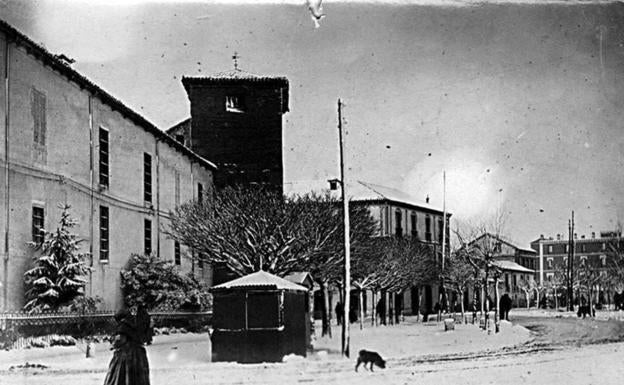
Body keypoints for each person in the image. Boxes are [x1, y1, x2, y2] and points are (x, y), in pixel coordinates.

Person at [103, 308, 150, 385]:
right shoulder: (134, 324)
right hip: (139, 355)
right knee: (137, 379)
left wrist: (113, 342)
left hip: (126, 355)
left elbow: (120, 340)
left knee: (120, 376)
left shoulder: (123, 327)